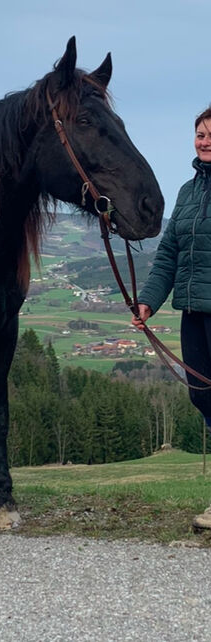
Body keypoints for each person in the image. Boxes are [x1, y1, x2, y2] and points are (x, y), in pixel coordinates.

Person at [132, 105, 211, 528]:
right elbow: (168, 255)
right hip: (194, 312)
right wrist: (148, 301)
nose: (205, 140)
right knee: (202, 396)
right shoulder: (187, 192)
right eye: (200, 133)